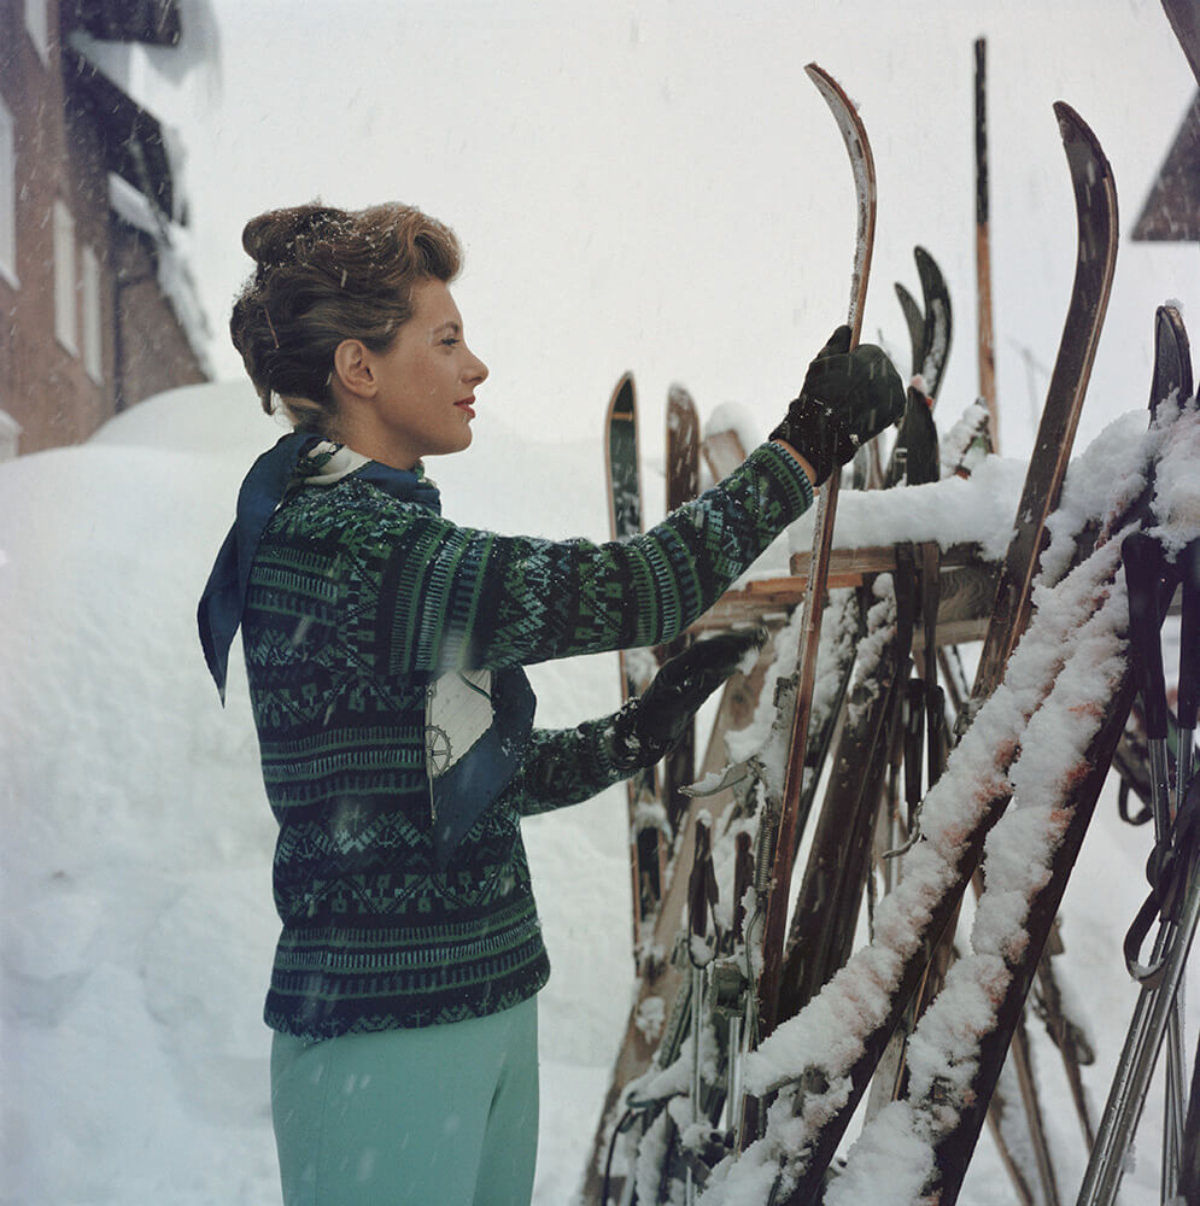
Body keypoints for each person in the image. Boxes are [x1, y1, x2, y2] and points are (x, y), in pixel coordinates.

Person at [197, 201, 903, 1206]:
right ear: (360, 368)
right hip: (384, 1042)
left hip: (477, 1009)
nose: (474, 367)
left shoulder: (375, 527)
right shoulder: (354, 546)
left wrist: (638, 729)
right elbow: (640, 587)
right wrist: (804, 445)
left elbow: (467, 783)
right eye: (445, 342)